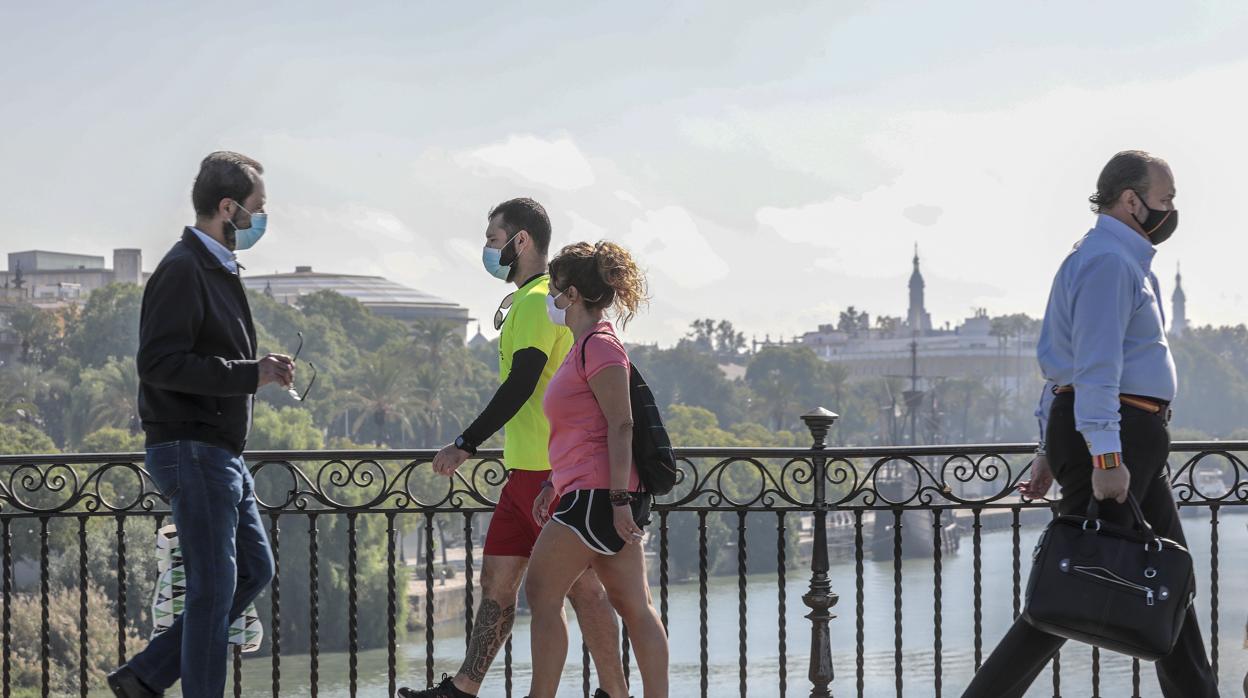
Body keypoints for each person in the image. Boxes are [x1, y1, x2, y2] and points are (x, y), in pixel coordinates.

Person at [964, 150, 1217, 697]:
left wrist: (1053, 449)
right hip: (1117, 433)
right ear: (1132, 201)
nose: (1171, 211)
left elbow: (1068, 373)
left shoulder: (1107, 256)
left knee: (1172, 580)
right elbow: (1093, 368)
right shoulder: (1109, 261)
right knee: (1067, 584)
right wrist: (1104, 456)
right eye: (1165, 200)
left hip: (1124, 435)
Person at [399, 200, 629, 698]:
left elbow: (522, 382)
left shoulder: (536, 302)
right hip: (522, 470)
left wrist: (465, 444)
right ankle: (464, 688)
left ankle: (615, 692)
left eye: (492, 239)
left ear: (520, 241)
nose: (487, 250)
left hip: (552, 474)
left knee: (582, 591)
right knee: (497, 585)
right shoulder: (538, 299)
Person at [108, 151, 285, 698]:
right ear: (227, 207)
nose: (261, 220)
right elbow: (158, 363)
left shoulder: (213, 268)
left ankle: (146, 675)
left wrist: (256, 372)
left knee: (254, 570)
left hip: (219, 452)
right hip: (193, 448)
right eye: (257, 209)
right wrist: (248, 374)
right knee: (212, 589)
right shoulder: (184, 268)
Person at [524, 241, 668, 698]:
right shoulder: (583, 345)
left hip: (597, 497)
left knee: (541, 593)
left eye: (555, 288)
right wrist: (552, 482)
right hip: (590, 493)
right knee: (634, 606)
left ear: (573, 294)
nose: (551, 296)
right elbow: (579, 428)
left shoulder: (601, 347)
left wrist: (619, 503)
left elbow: (620, 422)